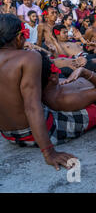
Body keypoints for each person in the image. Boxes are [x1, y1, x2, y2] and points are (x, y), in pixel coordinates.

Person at [0, 14, 76, 170]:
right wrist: (49, 152)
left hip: (7, 134)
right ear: (20, 36)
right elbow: (32, 107)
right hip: (32, 133)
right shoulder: (28, 57)